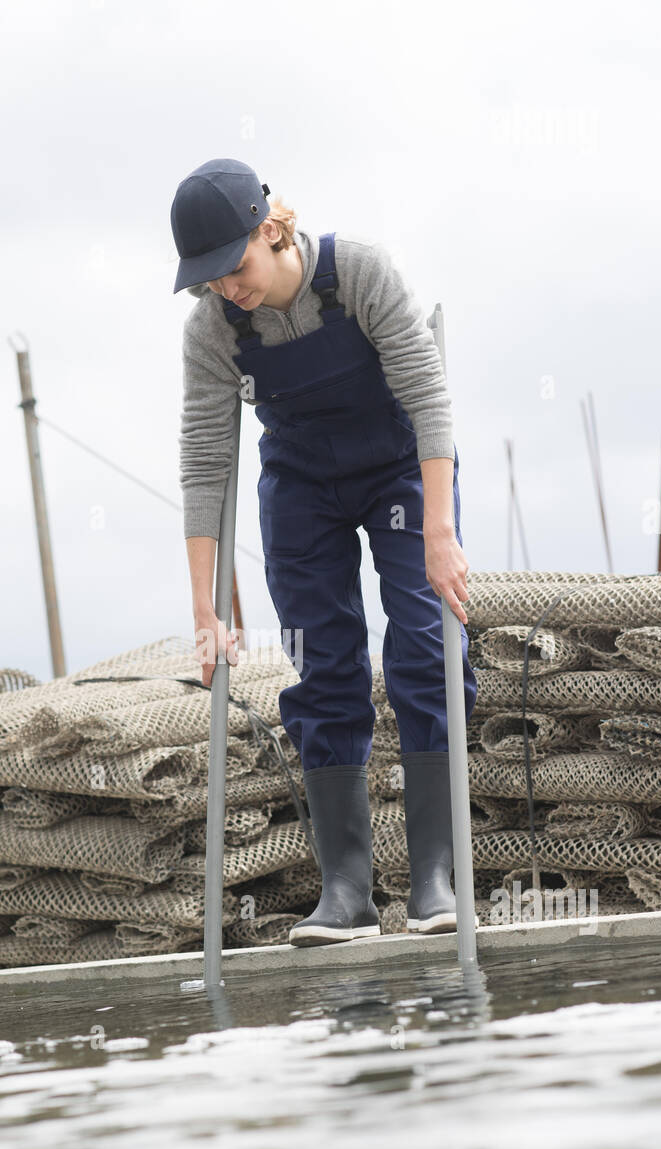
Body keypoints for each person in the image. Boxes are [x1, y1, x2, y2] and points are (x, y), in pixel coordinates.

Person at [171, 157, 478, 946]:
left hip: (402, 473)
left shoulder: (360, 272)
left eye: (234, 267)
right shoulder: (213, 331)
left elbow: (427, 391)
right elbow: (207, 461)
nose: (226, 289)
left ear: (270, 230)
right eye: (207, 280)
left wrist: (440, 533)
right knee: (324, 662)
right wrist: (206, 609)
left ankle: (436, 879)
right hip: (302, 483)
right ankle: (346, 891)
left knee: (420, 643)